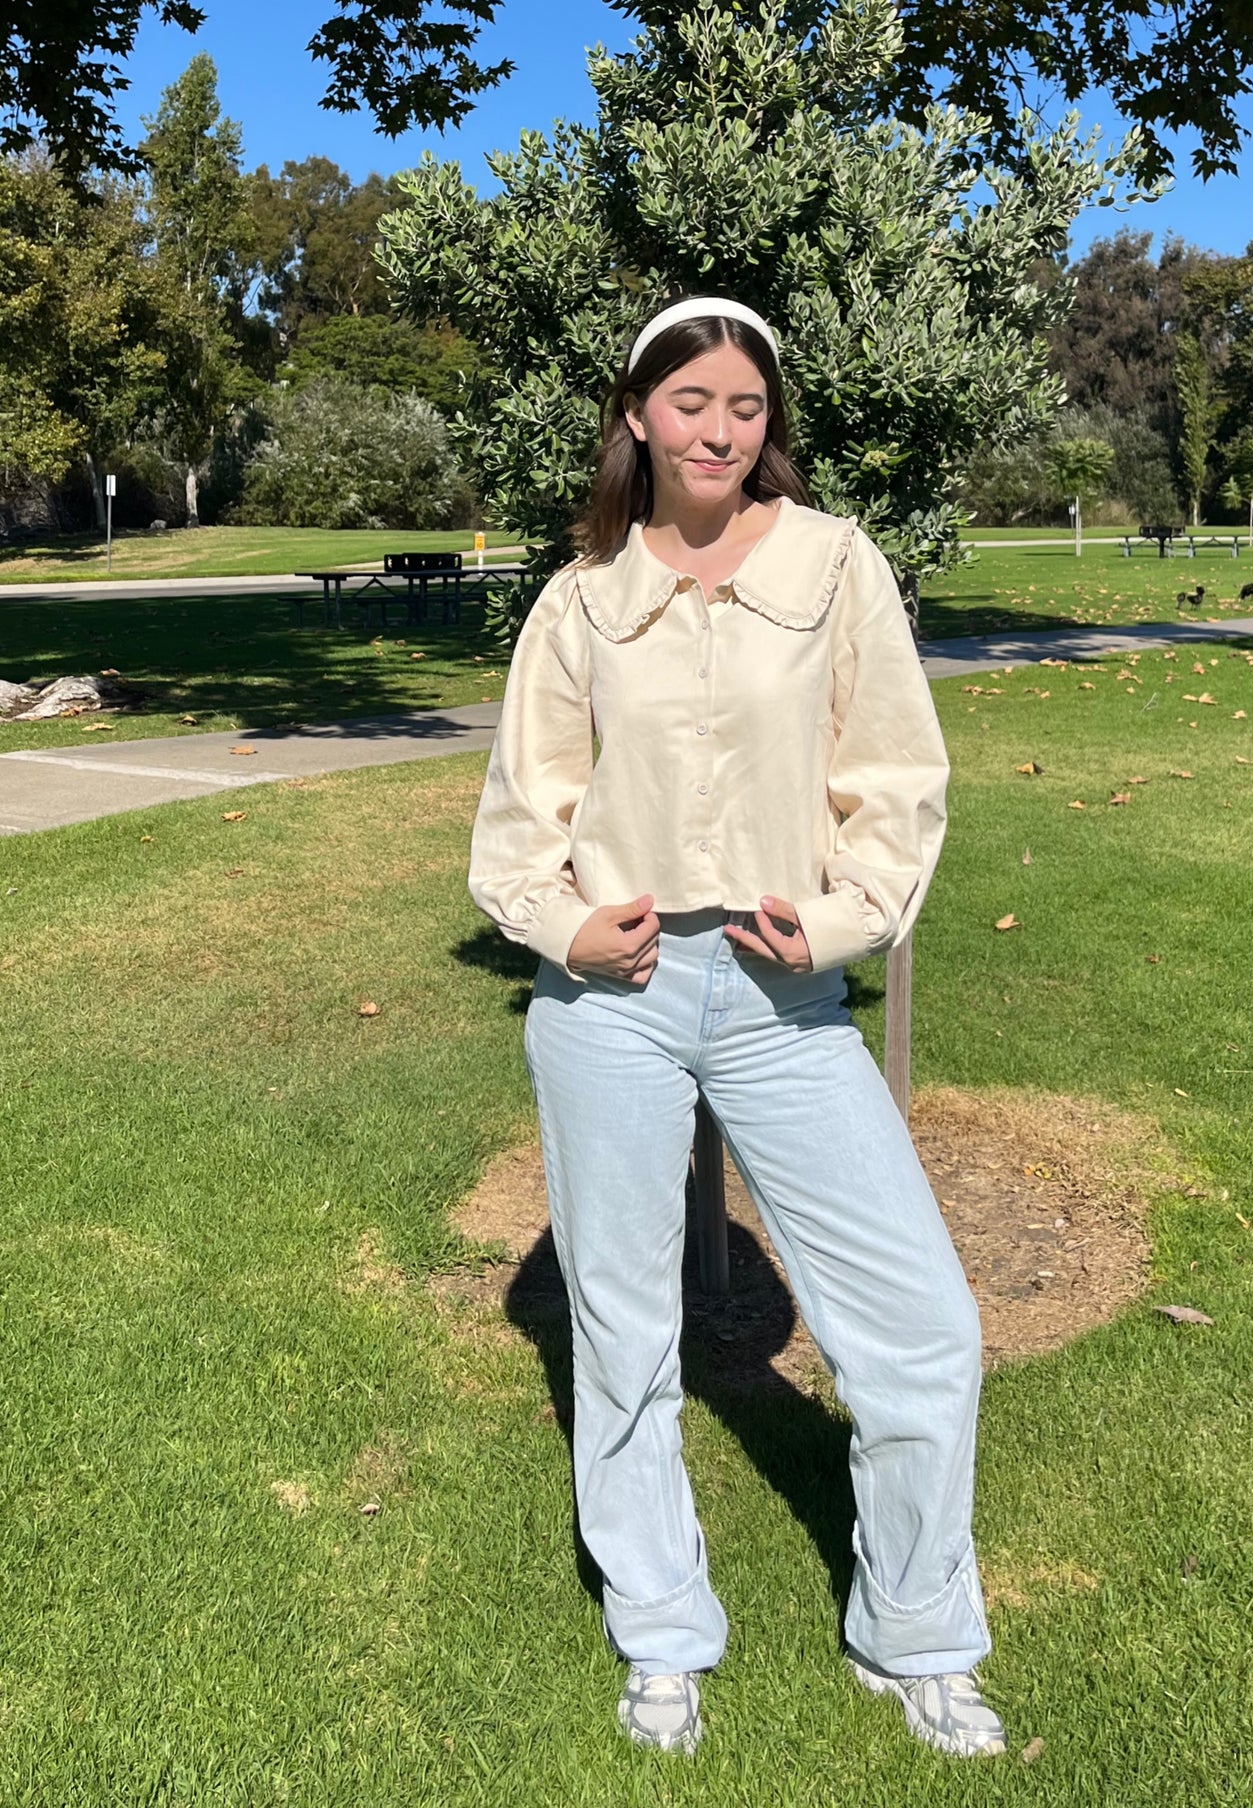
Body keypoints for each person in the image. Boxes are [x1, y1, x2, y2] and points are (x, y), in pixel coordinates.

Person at [468, 295, 1004, 1759]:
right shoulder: (582, 598)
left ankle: (916, 1633)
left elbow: (893, 776)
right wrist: (558, 922)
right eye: (690, 402)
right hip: (610, 1004)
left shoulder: (835, 565)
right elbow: (525, 809)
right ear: (638, 416)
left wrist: (837, 923)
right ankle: (660, 1632)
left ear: (769, 426)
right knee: (624, 1331)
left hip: (783, 997)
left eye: (745, 408)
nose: (717, 430)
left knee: (920, 1330)